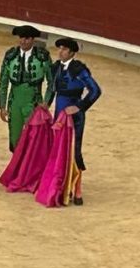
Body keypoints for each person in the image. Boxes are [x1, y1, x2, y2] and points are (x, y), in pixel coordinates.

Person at [43, 38, 102, 205]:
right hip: (59, 114)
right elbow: (52, 91)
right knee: (59, 150)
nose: (60, 52)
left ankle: (77, 188)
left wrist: (80, 106)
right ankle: (62, 186)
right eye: (60, 48)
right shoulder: (56, 68)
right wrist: (45, 105)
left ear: (71, 53)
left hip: (74, 117)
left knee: (74, 150)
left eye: (64, 49)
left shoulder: (78, 69)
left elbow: (96, 91)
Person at [0, 25, 54, 153]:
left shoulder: (42, 56)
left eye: (27, 39)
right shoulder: (10, 55)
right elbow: (3, 82)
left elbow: (52, 82)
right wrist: (2, 106)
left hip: (34, 102)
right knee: (15, 139)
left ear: (33, 40)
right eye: (21, 38)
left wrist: (46, 102)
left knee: (34, 140)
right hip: (15, 102)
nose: (23, 41)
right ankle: (18, 170)